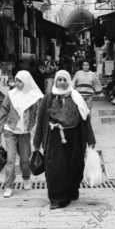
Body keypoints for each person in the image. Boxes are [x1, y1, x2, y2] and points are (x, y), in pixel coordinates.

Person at [33, 70, 96, 210]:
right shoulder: (48, 98)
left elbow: (85, 120)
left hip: (74, 139)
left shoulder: (76, 97)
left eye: (64, 80)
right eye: (59, 80)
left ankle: (72, 191)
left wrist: (90, 139)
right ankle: (57, 198)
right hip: (54, 139)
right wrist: (36, 142)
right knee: (56, 169)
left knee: (75, 167)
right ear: (55, 81)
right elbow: (41, 120)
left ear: (69, 81)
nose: (62, 83)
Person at [0, 70, 43, 198]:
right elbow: (3, 113)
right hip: (10, 130)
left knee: (24, 159)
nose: (17, 83)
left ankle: (26, 177)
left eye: (20, 81)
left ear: (26, 82)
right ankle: (8, 186)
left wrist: (37, 131)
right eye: (16, 80)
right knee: (10, 159)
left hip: (25, 133)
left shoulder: (34, 97)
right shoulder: (10, 95)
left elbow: (39, 115)